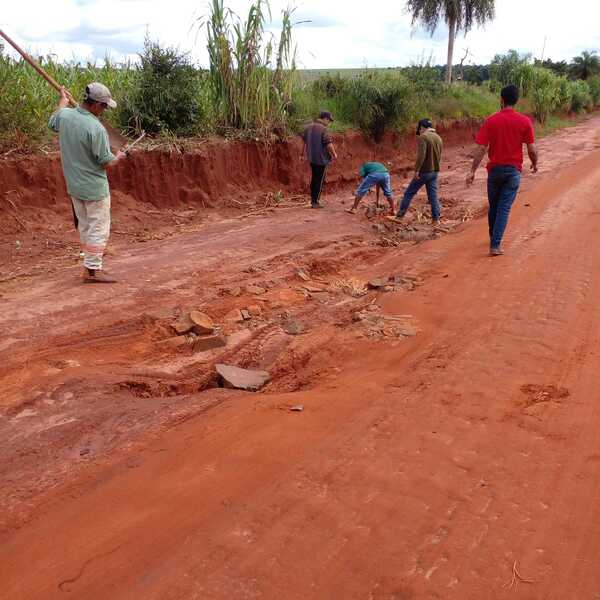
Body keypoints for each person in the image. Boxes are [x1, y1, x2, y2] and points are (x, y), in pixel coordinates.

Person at [49, 82, 128, 283]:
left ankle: (90, 263)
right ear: (94, 104)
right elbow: (106, 162)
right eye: (103, 106)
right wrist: (119, 156)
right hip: (94, 187)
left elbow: (53, 122)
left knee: (85, 226)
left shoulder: (65, 116)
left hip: (74, 185)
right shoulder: (96, 128)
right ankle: (93, 270)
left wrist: (63, 101)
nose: (104, 111)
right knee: (98, 228)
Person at [467, 84, 538, 256]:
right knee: (504, 207)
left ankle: (494, 236)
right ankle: (495, 244)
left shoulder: (491, 121)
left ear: (501, 99)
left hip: (495, 171)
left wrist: (472, 171)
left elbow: (481, 148)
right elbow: (531, 148)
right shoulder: (524, 121)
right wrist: (535, 163)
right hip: (513, 171)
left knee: (495, 206)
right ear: (516, 100)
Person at [390, 118, 443, 225]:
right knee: (433, 195)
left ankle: (399, 217)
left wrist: (416, 170)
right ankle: (435, 219)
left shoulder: (423, 137)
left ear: (422, 127)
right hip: (435, 171)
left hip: (424, 171)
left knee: (409, 193)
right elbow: (439, 155)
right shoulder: (438, 137)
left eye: (420, 128)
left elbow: (421, 156)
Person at [301, 111, 338, 208]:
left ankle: (313, 200)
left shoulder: (308, 128)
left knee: (314, 179)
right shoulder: (323, 129)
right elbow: (328, 144)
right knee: (319, 180)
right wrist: (334, 154)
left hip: (312, 158)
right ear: (325, 118)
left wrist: (302, 154)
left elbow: (304, 143)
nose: (329, 122)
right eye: (329, 120)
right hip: (321, 159)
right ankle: (315, 202)